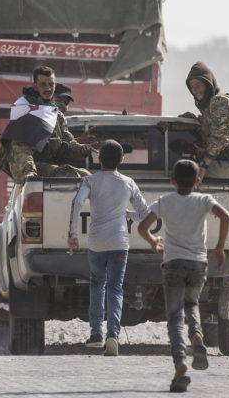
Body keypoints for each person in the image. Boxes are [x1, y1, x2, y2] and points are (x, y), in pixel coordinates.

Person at [138, 159, 229, 393]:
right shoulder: (203, 200)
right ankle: (197, 336)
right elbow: (226, 216)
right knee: (192, 303)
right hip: (198, 264)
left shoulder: (165, 202)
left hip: (173, 264)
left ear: (172, 181)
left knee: (175, 316)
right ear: (198, 180)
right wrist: (219, 248)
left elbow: (142, 227)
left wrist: (153, 242)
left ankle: (180, 364)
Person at [67, 140, 149, 357]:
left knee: (97, 284)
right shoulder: (128, 182)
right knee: (115, 288)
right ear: (122, 160)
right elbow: (145, 213)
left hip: (96, 241)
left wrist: (73, 234)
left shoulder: (90, 180)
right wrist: (130, 214)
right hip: (120, 241)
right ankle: (113, 334)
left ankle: (96, 334)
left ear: (98, 159)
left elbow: (77, 203)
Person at [0, 65, 95, 183]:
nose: (48, 89)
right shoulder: (27, 110)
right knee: (67, 174)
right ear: (35, 85)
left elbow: (67, 143)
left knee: (88, 177)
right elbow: (20, 148)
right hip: (23, 166)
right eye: (43, 84)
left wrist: (81, 149)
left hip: (45, 165)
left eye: (51, 84)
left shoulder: (56, 114)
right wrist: (29, 171)